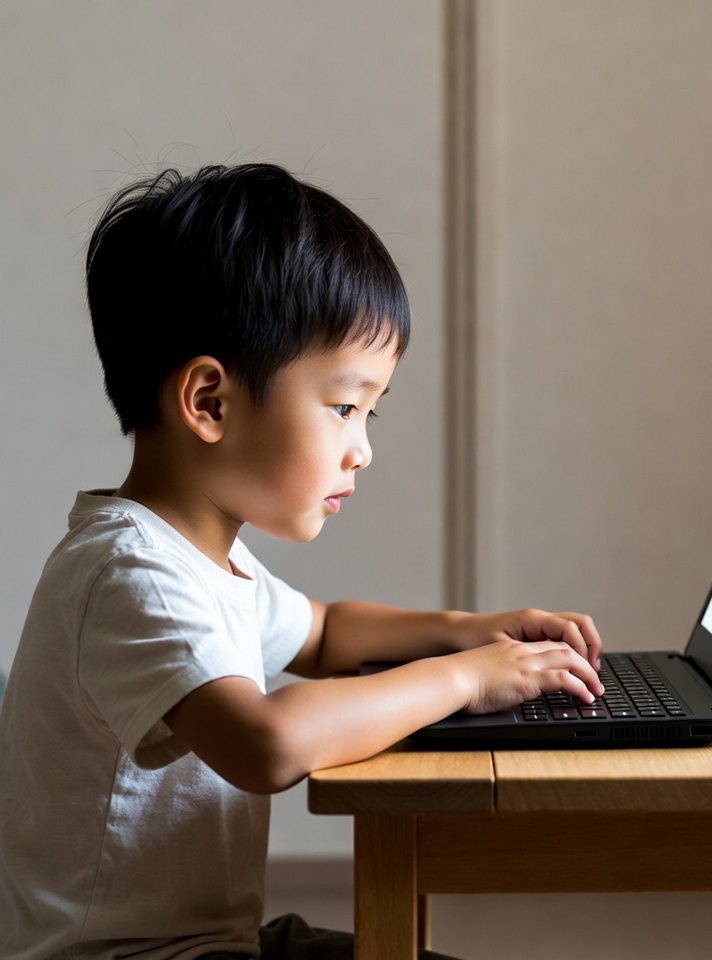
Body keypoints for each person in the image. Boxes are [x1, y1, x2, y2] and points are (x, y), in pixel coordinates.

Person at [0, 163, 604, 960]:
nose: (363, 450)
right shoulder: (130, 574)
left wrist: (471, 631)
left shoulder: (201, 558)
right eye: (346, 408)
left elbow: (323, 632)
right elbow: (265, 744)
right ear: (210, 403)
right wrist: (465, 678)